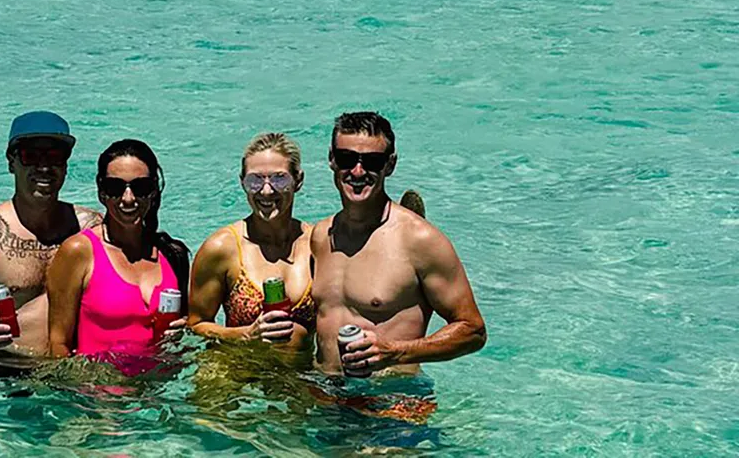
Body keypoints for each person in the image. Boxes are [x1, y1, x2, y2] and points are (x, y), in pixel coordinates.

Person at [311, 112, 486, 377]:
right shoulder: (321, 235)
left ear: (390, 165)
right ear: (331, 160)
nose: (357, 171)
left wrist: (395, 352)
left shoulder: (420, 240)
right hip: (325, 397)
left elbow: (473, 331)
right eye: (346, 159)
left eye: (372, 162)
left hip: (392, 402)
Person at [0, 112, 102, 373]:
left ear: (66, 164)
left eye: (54, 156)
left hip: (71, 373)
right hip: (3, 371)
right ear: (11, 162)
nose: (43, 167)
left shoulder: (92, 228)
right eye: (30, 156)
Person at [47, 140, 190, 373]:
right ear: (101, 192)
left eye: (141, 187)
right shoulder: (79, 252)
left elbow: (186, 328)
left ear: (154, 191)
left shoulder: (174, 255)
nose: (128, 198)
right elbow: (58, 345)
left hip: (158, 394)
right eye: (115, 187)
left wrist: (184, 332)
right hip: (98, 398)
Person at [189, 133, 316, 355]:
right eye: (255, 181)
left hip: (302, 376)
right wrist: (245, 334)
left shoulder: (318, 244)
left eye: (279, 179)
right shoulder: (222, 248)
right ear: (242, 183)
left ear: (299, 181)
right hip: (240, 374)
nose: (266, 191)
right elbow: (196, 325)